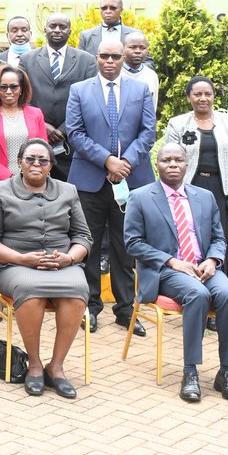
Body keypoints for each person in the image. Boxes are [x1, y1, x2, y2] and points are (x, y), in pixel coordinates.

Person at [125, 144, 228, 403]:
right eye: (166, 160)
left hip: (203, 266)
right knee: (197, 294)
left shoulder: (204, 196)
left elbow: (218, 237)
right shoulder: (141, 197)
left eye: (178, 160)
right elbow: (132, 243)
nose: (173, 164)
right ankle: (190, 371)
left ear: (187, 164)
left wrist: (213, 259)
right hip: (166, 270)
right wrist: (171, 261)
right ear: (158, 164)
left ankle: (226, 371)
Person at [0, 138, 90, 398]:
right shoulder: (0, 189)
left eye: (43, 160)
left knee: (78, 289)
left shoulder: (68, 190)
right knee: (31, 290)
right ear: (19, 162)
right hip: (14, 265)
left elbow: (83, 237)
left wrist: (70, 259)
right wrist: (21, 259)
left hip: (61, 263)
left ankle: (57, 367)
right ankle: (36, 366)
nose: (36, 164)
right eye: (30, 159)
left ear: (51, 165)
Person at [65, 38, 156, 335]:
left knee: (125, 246)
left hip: (131, 180)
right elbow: (75, 134)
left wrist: (124, 162)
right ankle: (90, 306)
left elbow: (148, 133)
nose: (110, 61)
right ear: (96, 57)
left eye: (116, 56)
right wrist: (107, 161)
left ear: (124, 57)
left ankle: (126, 309)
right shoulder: (79, 90)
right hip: (90, 181)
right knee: (88, 244)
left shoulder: (140, 90)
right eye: (104, 56)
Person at [164, 76, 228, 284]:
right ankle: (193, 284)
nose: (203, 98)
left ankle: (222, 291)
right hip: (189, 188)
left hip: (220, 190)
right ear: (188, 97)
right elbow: (168, 158)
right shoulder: (178, 123)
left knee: (219, 237)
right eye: (197, 94)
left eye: (208, 94)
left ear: (214, 96)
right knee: (193, 235)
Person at [18, 14, 97, 181]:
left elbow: (90, 100)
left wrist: (64, 129)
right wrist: (42, 124)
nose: (57, 30)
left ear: (70, 32)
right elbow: (22, 96)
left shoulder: (87, 61)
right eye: (53, 26)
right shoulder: (27, 60)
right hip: (35, 139)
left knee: (68, 194)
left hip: (72, 143)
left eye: (63, 27)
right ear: (45, 30)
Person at [0, 64, 48, 194]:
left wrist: (26, 179)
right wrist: (11, 178)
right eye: (3, 87)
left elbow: (44, 151)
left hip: (31, 184)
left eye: (14, 87)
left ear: (21, 89)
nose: (9, 91)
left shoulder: (36, 114)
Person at [78, 0, 145, 56]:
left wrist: (131, 69)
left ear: (121, 10)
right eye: (104, 8)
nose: (108, 11)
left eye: (113, 8)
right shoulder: (86, 36)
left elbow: (147, 62)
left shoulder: (136, 34)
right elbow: (81, 62)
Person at [121, 32, 158, 110]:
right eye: (133, 47)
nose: (138, 51)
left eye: (142, 48)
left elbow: (152, 108)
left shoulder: (151, 76)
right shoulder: (115, 73)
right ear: (123, 49)